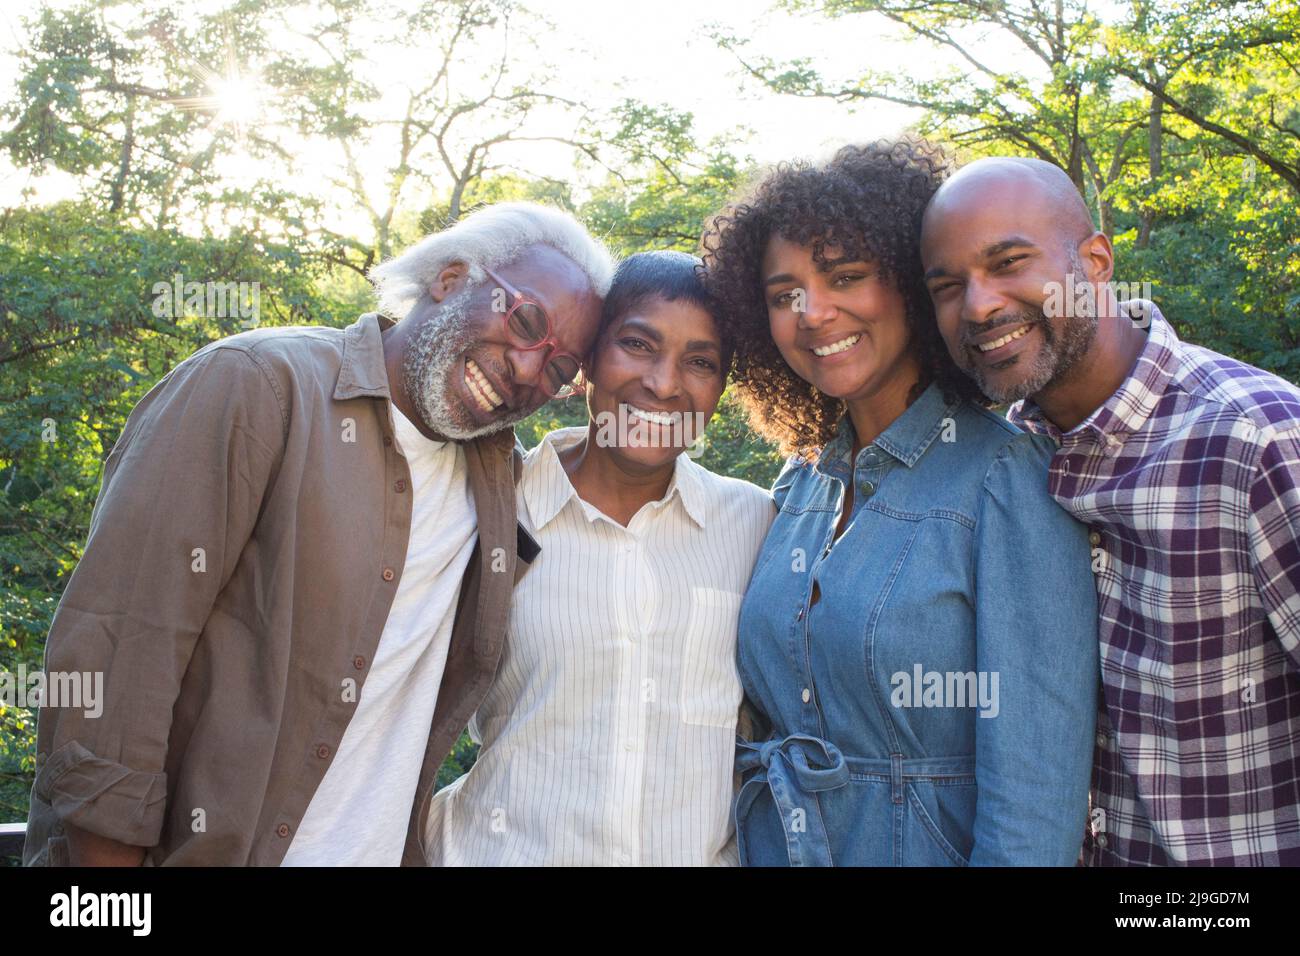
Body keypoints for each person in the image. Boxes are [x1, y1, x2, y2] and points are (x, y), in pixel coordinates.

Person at [24, 202, 613, 866]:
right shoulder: (256, 388)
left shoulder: (500, 479)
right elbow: (119, 650)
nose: (532, 369)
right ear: (450, 278)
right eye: (525, 320)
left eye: (561, 370)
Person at [699, 139, 1099, 867]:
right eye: (782, 294)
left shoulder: (1005, 480)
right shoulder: (800, 485)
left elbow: (1034, 807)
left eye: (845, 277)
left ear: (911, 286)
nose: (812, 312)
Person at [920, 156, 1300, 866]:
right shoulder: (1003, 462)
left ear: (1096, 261)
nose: (977, 306)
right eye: (948, 287)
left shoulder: (1255, 439)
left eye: (1009, 262)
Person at [424, 251, 773, 865]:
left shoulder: (756, 525)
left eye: (700, 362)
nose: (664, 384)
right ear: (586, 360)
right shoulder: (496, 508)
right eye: (637, 345)